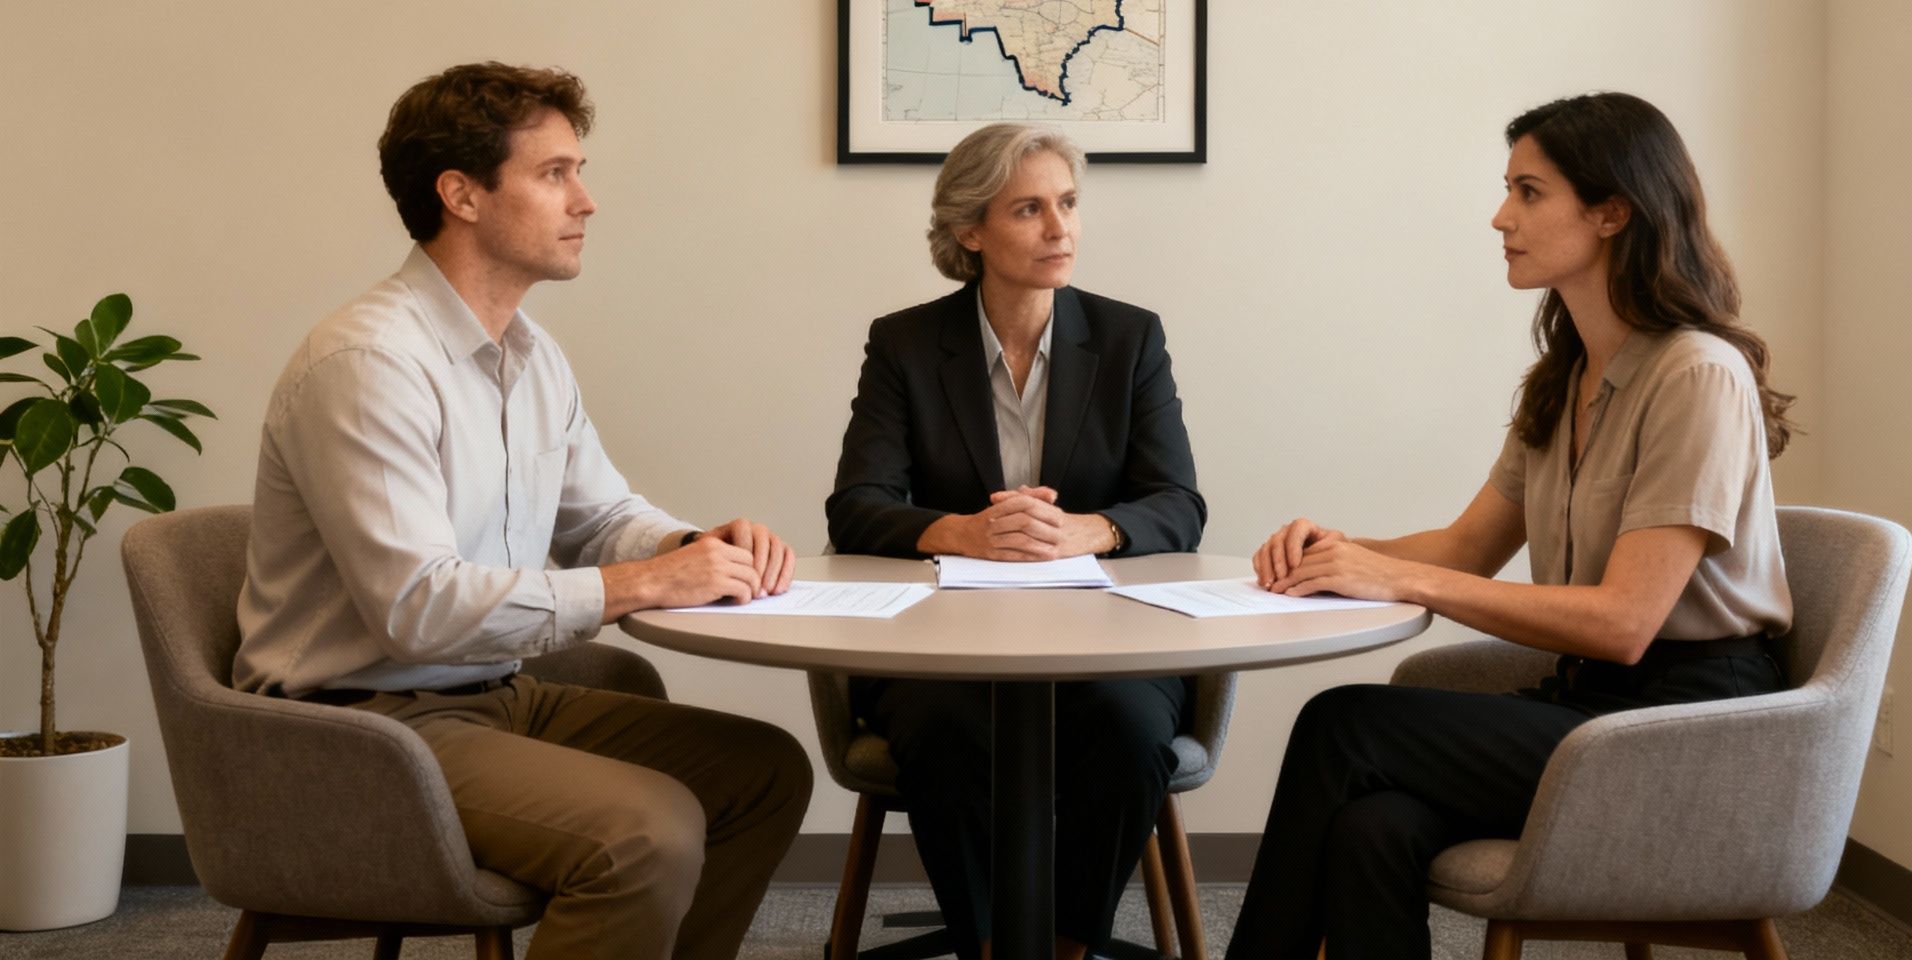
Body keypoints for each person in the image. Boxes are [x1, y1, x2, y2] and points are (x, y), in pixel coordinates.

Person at [234, 62, 812, 960]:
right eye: (555, 174)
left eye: (578, 172)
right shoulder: (367, 365)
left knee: (763, 772)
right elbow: (417, 608)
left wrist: (692, 544)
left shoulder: (531, 357)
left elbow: (599, 513)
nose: (585, 201)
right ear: (461, 195)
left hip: (492, 697)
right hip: (360, 729)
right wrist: (646, 582)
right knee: (643, 832)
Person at [1226, 92, 1797, 960]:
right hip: (1594, 707)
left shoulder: (1695, 376)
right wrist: (1340, 549)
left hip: (1691, 728)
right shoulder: (1564, 377)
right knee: (1373, 825)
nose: (1501, 217)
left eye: (1529, 193)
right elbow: (1466, 550)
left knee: (1342, 724)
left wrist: (1402, 580)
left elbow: (1625, 622)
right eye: (1509, 191)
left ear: (1611, 212)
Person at [826, 122, 1206, 960]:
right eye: (1028, 209)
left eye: (1067, 204)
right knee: (946, 731)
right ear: (971, 231)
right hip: (942, 646)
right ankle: (987, 945)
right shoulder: (907, 343)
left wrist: (1091, 530)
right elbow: (855, 506)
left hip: (1105, 641)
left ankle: (1071, 942)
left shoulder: (1128, 338)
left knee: (1129, 731)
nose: (1060, 228)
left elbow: (1179, 503)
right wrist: (963, 531)